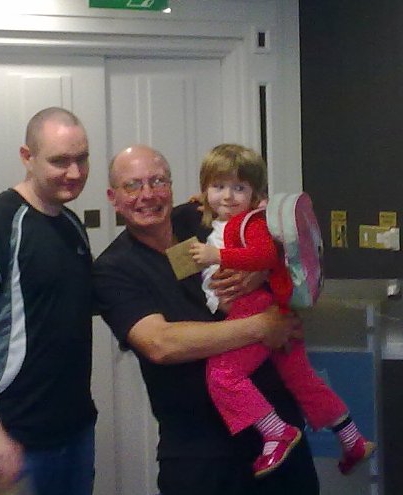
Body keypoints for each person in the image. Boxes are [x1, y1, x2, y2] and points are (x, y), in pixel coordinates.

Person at [93, 144, 320, 495]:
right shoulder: (114, 268)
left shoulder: (198, 219)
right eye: (132, 185)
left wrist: (260, 269)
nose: (147, 195)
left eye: (158, 181)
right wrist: (262, 326)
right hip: (201, 456)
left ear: (172, 186)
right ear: (113, 197)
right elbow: (161, 343)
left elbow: (288, 239)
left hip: (282, 440)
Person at [189, 143, 375, 477]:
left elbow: (264, 255)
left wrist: (217, 256)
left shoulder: (249, 223)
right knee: (301, 378)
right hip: (275, 306)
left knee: (222, 375)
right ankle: (352, 439)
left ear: (256, 194)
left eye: (239, 188)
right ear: (204, 191)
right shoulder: (226, 221)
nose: (227, 196)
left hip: (255, 308)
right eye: (218, 186)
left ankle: (276, 431)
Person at [0, 107, 97, 495]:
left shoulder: (72, 225)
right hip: (12, 443)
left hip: (75, 434)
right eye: (60, 161)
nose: (74, 172)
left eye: (81, 159)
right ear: (27, 157)